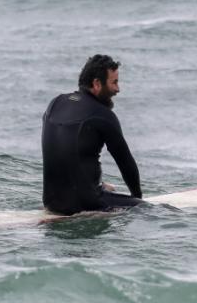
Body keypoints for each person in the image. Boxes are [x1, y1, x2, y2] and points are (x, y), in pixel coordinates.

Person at [42, 54, 144, 215]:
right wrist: (137, 199)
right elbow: (125, 163)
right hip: (84, 205)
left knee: (103, 186)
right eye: (114, 82)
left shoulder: (55, 103)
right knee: (147, 209)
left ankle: (98, 187)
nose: (118, 89)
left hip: (51, 201)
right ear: (97, 83)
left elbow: (64, 154)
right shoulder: (102, 115)